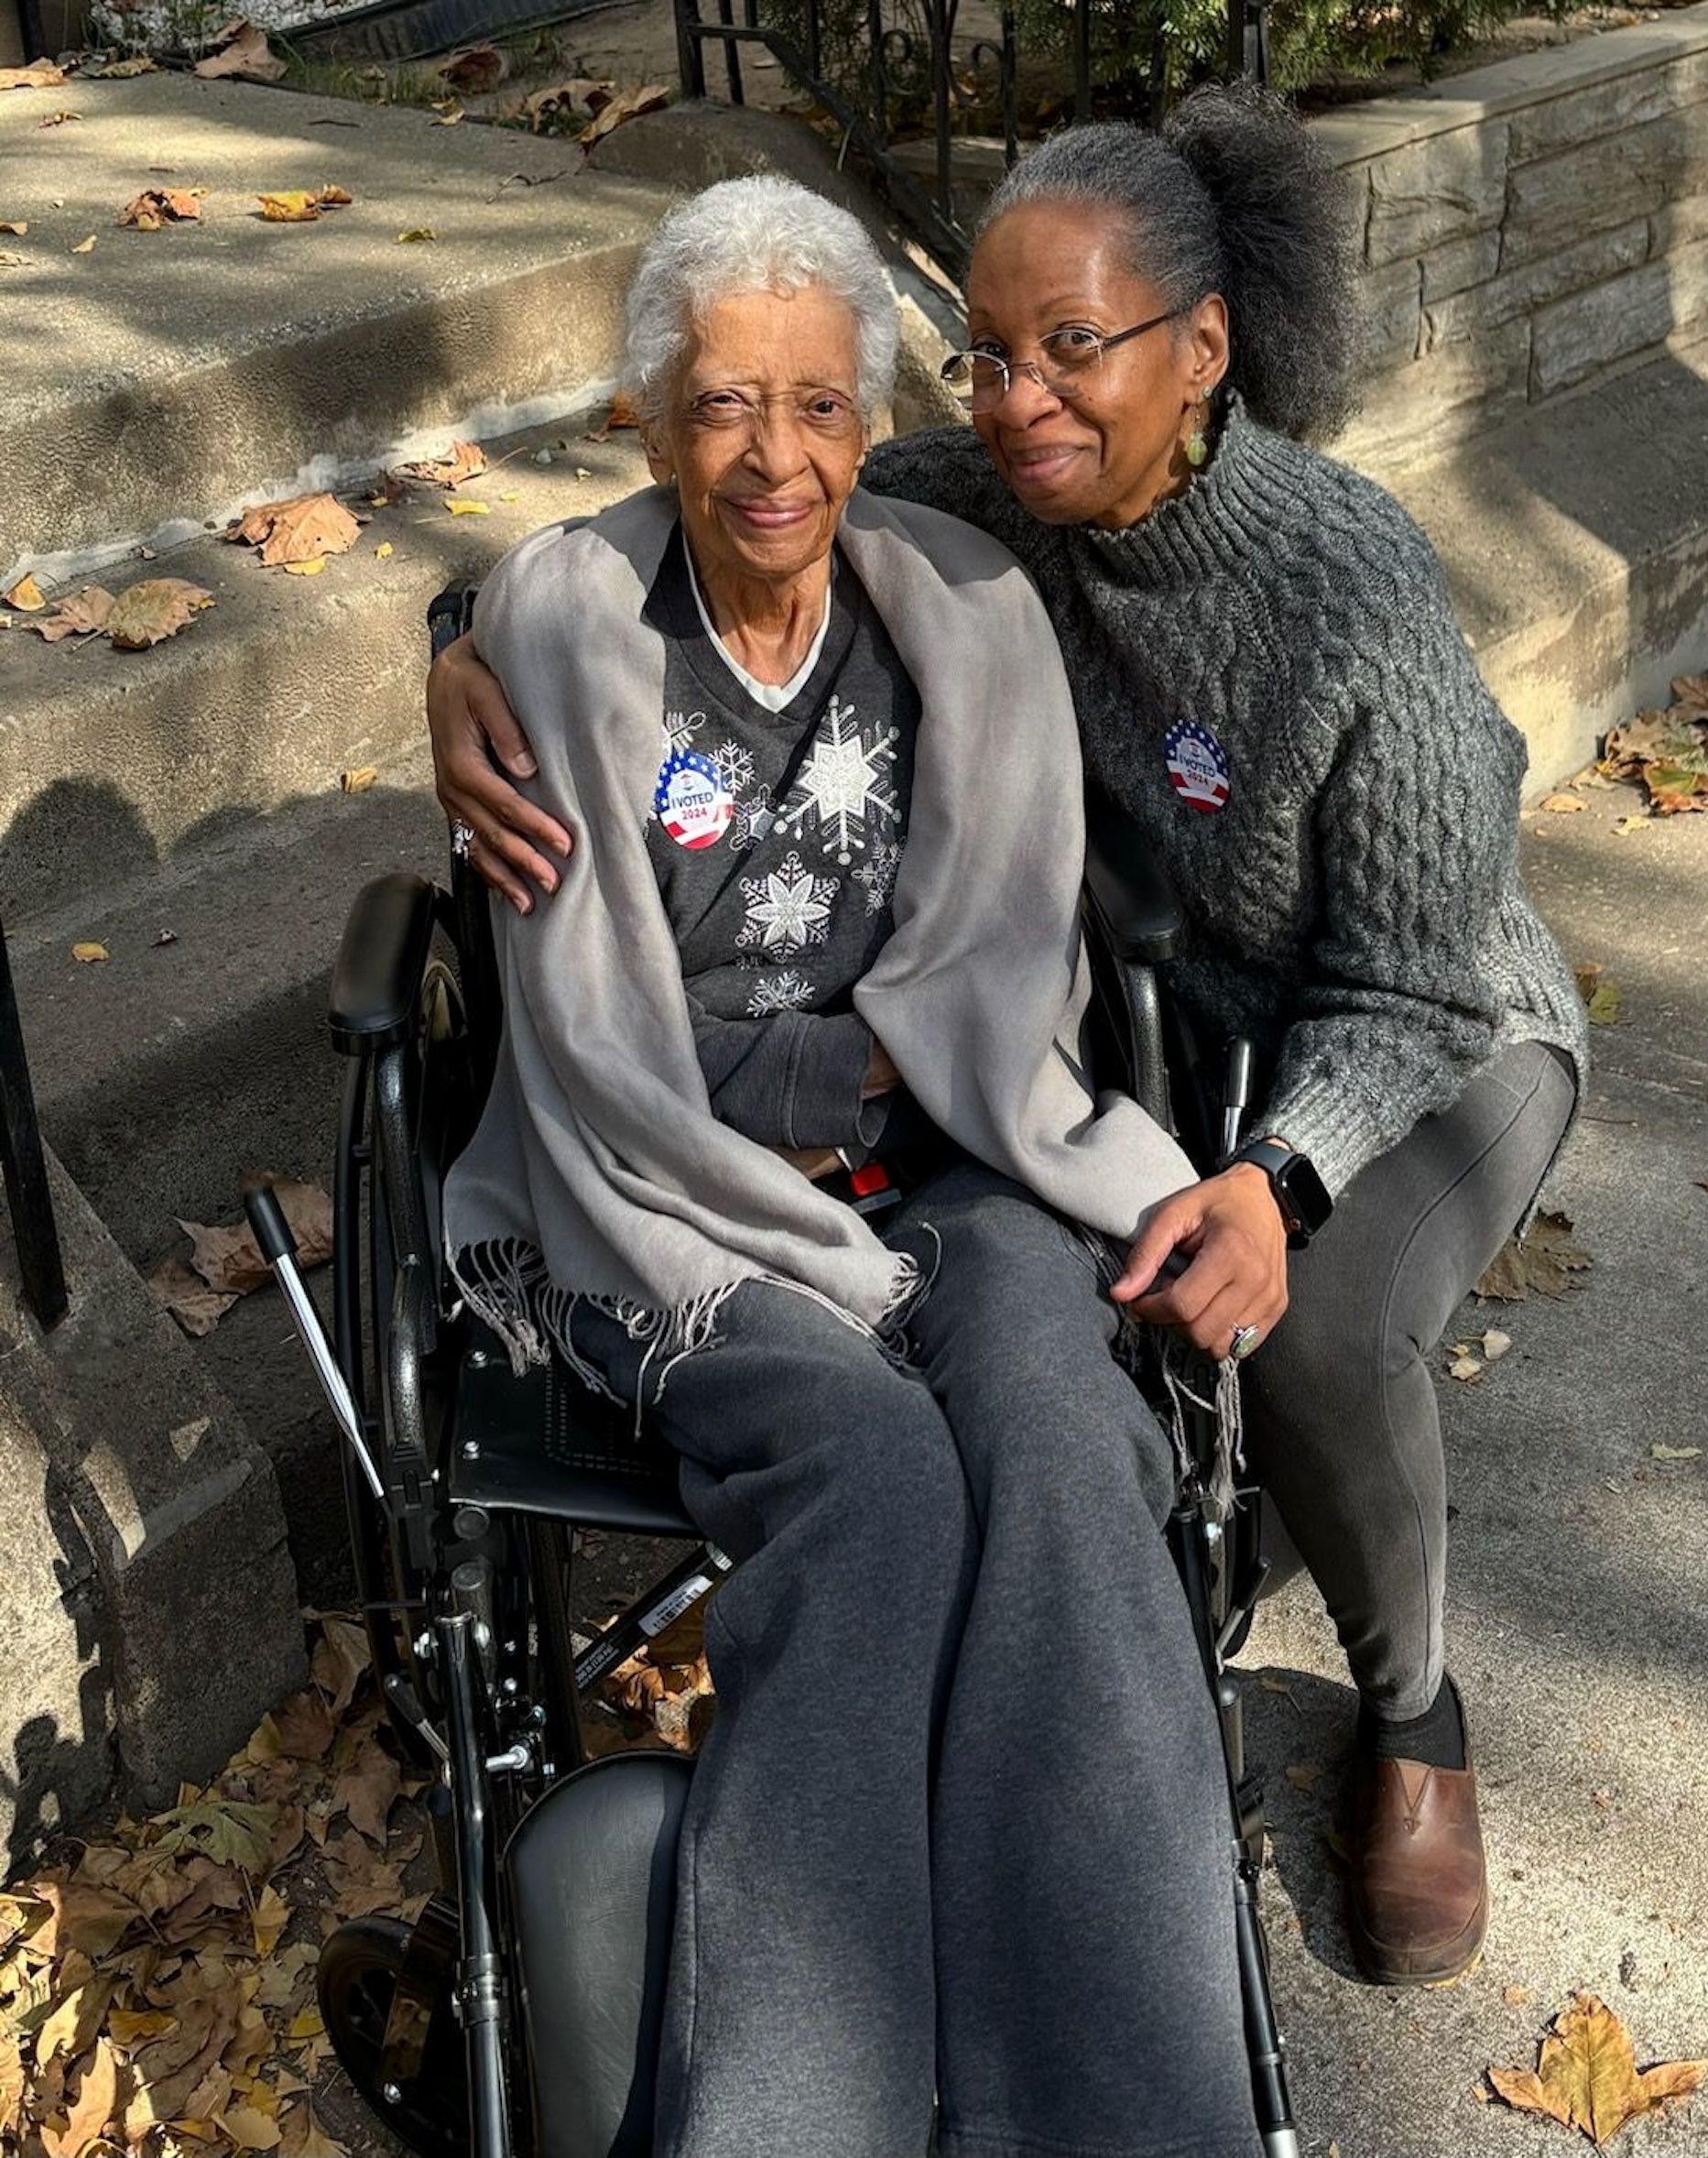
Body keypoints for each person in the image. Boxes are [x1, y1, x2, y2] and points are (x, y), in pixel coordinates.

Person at [429, 87, 1590, 1994]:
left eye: (1072, 348)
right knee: (1100, 1331)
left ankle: (1413, 1713)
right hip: (1147, 1028)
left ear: (1199, 348)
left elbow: (1415, 976)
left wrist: (1278, 1174)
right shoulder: (992, 491)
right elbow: (708, 501)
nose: (1018, 399)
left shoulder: (1344, 585)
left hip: (1416, 1038)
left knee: (1310, 1323)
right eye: (984, 354)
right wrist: (459, 653)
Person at [442, 176, 1267, 2158]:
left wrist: (891, 1071)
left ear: (874, 419)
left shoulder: (952, 597)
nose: (775, 456)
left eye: (819, 404)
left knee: (1061, 1444)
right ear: (652, 416)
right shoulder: (568, 620)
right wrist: (852, 1060)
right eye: (724, 404)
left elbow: (993, 994)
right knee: (881, 1482)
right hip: (667, 1204)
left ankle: (1117, 2117)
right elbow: (616, 1053)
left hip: (954, 1163)